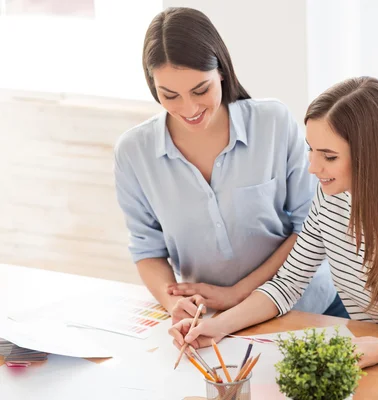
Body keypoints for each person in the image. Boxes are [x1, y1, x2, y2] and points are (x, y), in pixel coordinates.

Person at [169, 76, 378, 368]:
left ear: (371, 156)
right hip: (369, 357)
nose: (313, 168)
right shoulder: (329, 200)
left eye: (329, 156)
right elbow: (286, 286)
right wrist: (217, 326)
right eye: (311, 150)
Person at [113, 7, 343, 325]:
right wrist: (172, 303)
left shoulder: (272, 122)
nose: (189, 108)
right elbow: (146, 248)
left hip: (308, 306)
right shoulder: (134, 152)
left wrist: (239, 293)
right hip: (217, 319)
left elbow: (310, 227)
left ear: (221, 71)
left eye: (200, 90)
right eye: (170, 95)